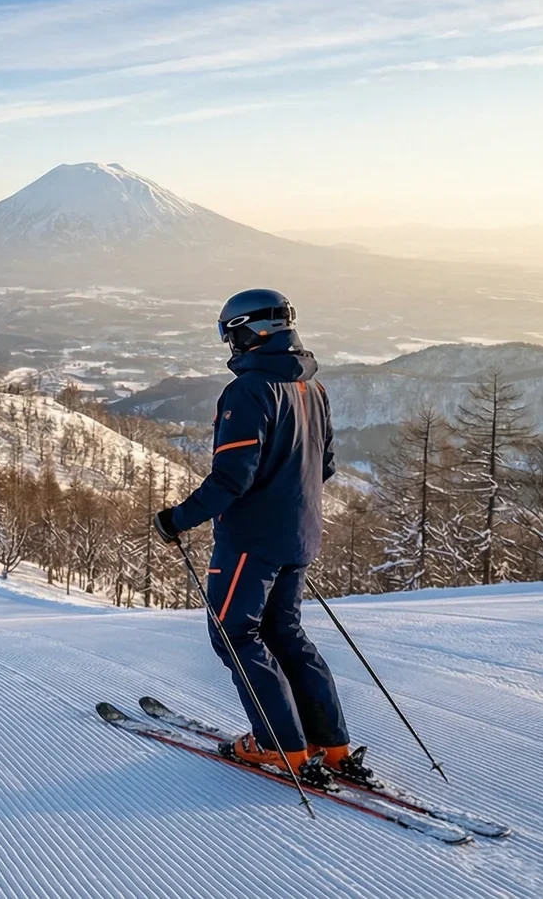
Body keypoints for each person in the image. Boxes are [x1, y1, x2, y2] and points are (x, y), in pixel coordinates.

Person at [152, 288, 373, 786]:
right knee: (285, 633)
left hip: (251, 541)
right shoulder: (311, 388)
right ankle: (329, 745)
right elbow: (327, 465)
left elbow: (232, 479)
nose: (230, 343)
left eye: (231, 333)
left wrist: (177, 519)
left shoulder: (249, 391)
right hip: (301, 535)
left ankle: (279, 746)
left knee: (235, 634)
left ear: (249, 331)